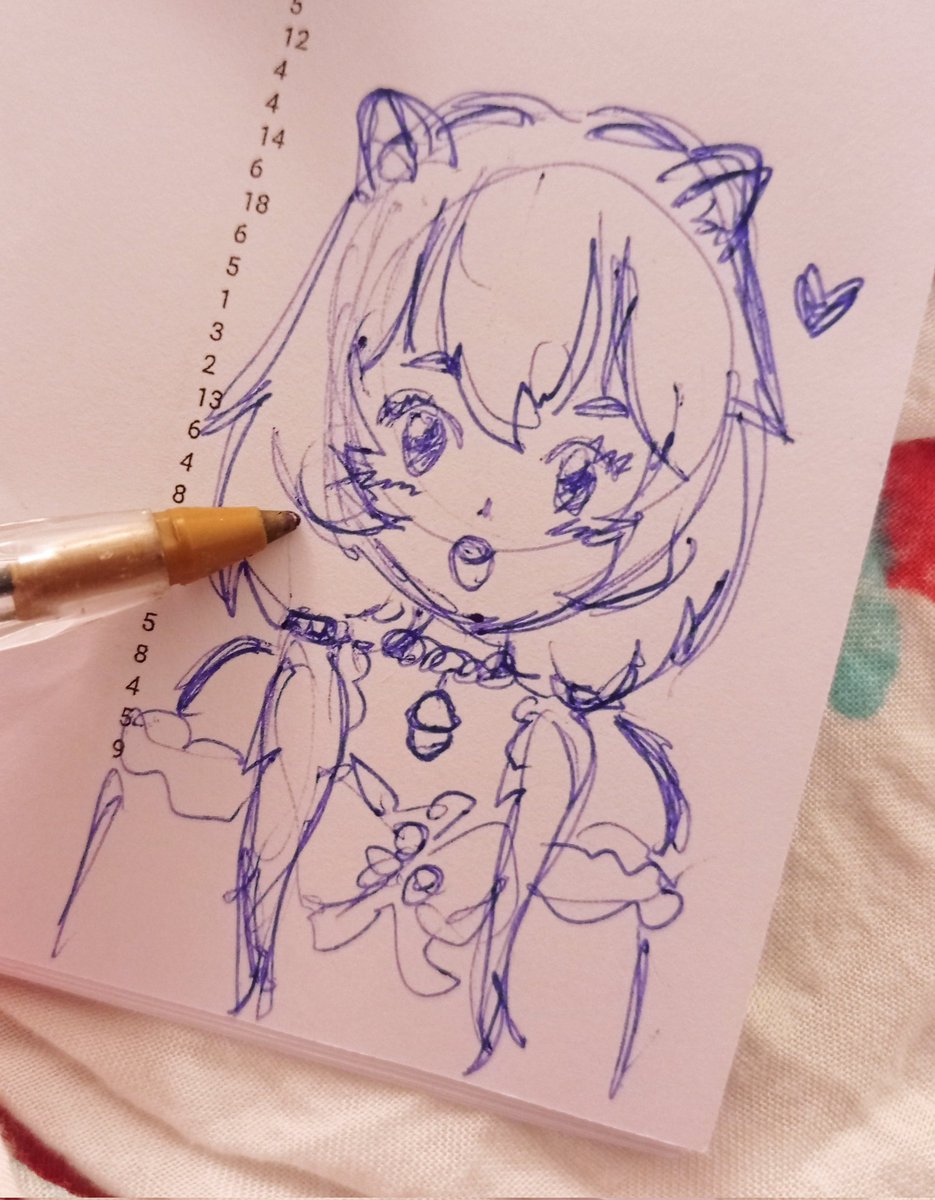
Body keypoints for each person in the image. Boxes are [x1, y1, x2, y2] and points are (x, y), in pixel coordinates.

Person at [59, 89, 788, 1097]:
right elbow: (117, 911)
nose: (483, 522)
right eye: (420, 429)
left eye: (580, 475)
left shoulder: (608, 780)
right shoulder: (240, 694)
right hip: (160, 1065)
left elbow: (603, 1060)